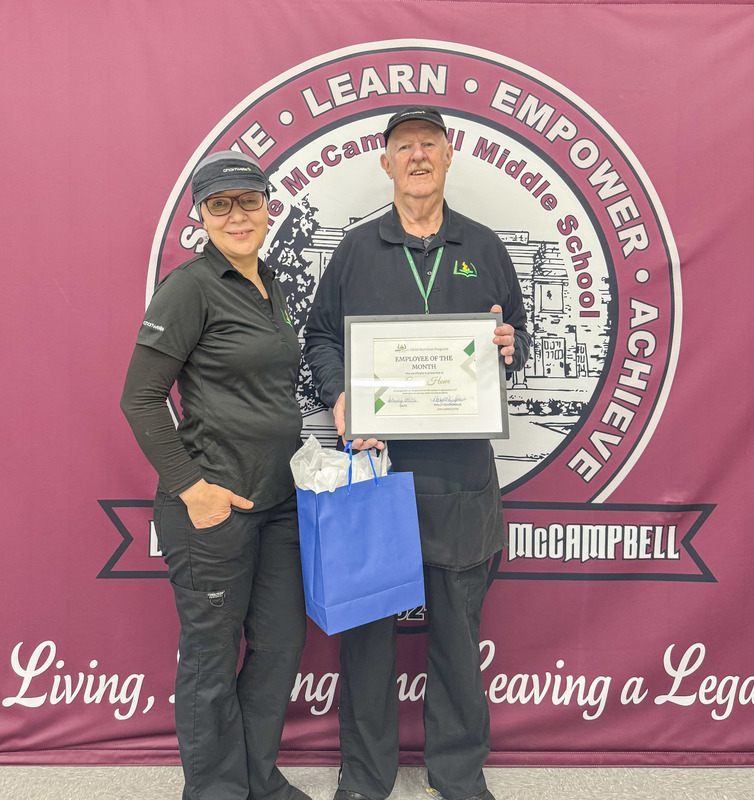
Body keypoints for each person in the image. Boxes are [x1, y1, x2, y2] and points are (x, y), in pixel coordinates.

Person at [304, 106, 531, 800]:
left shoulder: (486, 248)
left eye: (429, 144)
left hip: (461, 481)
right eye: (405, 146)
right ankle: (366, 776)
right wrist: (342, 395)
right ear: (387, 163)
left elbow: (514, 344)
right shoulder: (355, 251)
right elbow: (319, 340)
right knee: (368, 637)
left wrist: (508, 349)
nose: (418, 156)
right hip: (376, 475)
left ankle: (459, 775)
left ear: (449, 154)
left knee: (458, 640)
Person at [121, 151, 310, 800]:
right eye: (220, 205)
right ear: (199, 215)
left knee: (281, 645)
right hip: (213, 507)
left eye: (249, 201)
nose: (237, 215)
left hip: (279, 502)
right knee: (209, 660)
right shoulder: (190, 286)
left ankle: (255, 778)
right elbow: (140, 399)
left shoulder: (272, 282)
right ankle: (216, 791)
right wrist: (191, 487)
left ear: (268, 205)